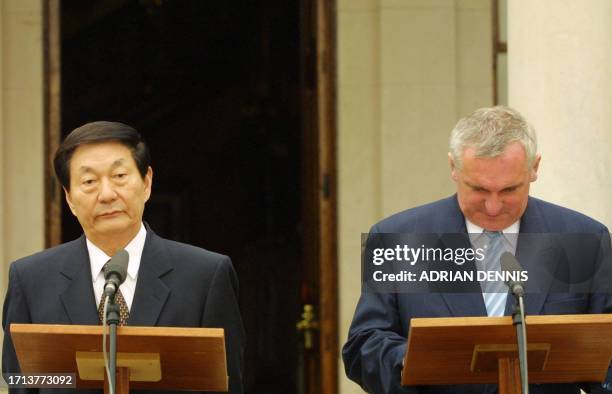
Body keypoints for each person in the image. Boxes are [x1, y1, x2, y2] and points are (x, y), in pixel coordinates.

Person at [342, 106, 612, 393]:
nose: (493, 207)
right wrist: (414, 361)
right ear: (453, 168)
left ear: (534, 168)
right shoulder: (398, 239)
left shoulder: (583, 239)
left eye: (509, 190)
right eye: (479, 190)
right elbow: (363, 345)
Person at [2, 121, 245, 393]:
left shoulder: (205, 276)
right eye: (89, 181)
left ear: (147, 183)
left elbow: (228, 384)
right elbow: (22, 382)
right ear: (69, 198)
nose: (107, 194)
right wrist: (70, 377)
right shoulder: (31, 280)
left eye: (119, 176)